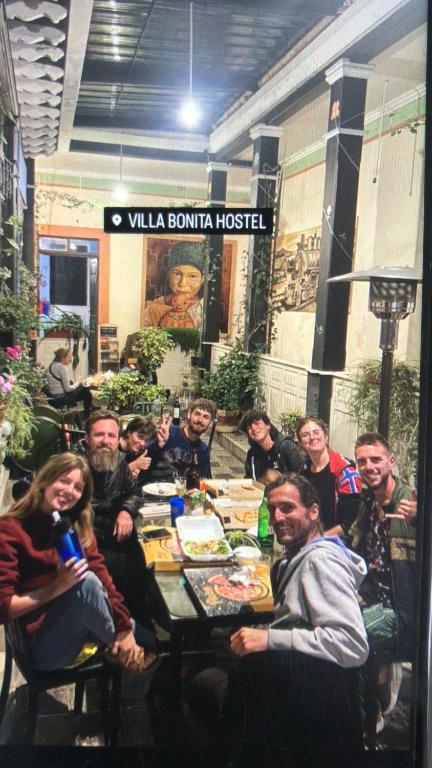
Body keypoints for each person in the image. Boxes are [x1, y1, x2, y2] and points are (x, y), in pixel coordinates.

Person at [229, 473, 369, 756]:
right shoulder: (297, 556)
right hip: (295, 685)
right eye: (272, 510)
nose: (277, 517)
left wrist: (269, 639)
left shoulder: (320, 562)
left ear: (314, 511)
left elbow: (352, 645)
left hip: (309, 708)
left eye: (288, 508)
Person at [0, 453, 156, 673]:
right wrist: (56, 587)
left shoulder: (72, 524)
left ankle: (126, 654)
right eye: (63, 481)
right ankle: (130, 659)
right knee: (87, 584)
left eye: (77, 487)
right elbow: (3, 608)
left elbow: (101, 573)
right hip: (41, 647)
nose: (69, 491)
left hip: (75, 623)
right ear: (45, 480)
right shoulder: (11, 529)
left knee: (146, 636)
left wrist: (123, 626)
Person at [351, 433, 416, 683]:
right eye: (362, 462)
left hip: (400, 609)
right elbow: (352, 543)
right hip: (368, 593)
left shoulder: (409, 505)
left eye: (375, 459)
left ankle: (371, 705)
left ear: (391, 461)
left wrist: (424, 518)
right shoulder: (368, 500)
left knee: (347, 636)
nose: (369, 467)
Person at [75, 411, 150, 628]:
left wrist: (126, 511)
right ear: (87, 438)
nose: (105, 441)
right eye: (99, 435)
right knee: (121, 572)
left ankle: (138, 625)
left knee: (144, 563)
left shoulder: (118, 461)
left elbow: (135, 492)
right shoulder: (72, 462)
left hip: (115, 535)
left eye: (111, 435)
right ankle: (116, 631)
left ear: (119, 439)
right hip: (86, 542)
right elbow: (27, 488)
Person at [297, 415, 363, 537]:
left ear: (326, 437)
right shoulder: (303, 472)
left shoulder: (346, 473)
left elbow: (349, 525)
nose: (312, 437)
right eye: (305, 435)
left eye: (316, 432)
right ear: (301, 444)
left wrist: (316, 541)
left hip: (338, 546)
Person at [151, 398, 216, 481]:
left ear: (210, 423)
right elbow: (143, 459)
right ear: (189, 414)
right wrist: (157, 445)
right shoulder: (168, 433)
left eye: (206, 417)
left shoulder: (203, 450)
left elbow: (202, 481)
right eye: (197, 414)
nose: (200, 420)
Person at [143, 241, 204, 329]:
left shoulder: (205, 309)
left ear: (202, 279)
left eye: (192, 276)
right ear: (168, 275)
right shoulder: (151, 308)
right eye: (177, 274)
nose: (182, 283)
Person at [240, 409, 302, 483]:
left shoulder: (285, 447)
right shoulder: (252, 455)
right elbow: (249, 484)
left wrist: (280, 480)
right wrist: (265, 478)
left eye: (257, 423)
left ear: (268, 425)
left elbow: (302, 479)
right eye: (249, 427)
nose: (253, 428)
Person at [45, 347, 92, 418]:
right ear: (63, 358)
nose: (70, 359)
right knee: (86, 392)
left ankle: (89, 409)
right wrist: (77, 383)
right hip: (60, 398)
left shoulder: (51, 365)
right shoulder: (61, 367)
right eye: (69, 357)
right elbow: (67, 389)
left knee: (80, 387)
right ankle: (87, 415)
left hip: (53, 397)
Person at [119, 416, 158, 488]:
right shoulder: (113, 448)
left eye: (146, 440)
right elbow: (107, 480)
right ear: (129, 433)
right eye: (140, 437)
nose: (143, 443)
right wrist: (134, 465)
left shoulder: (137, 451)